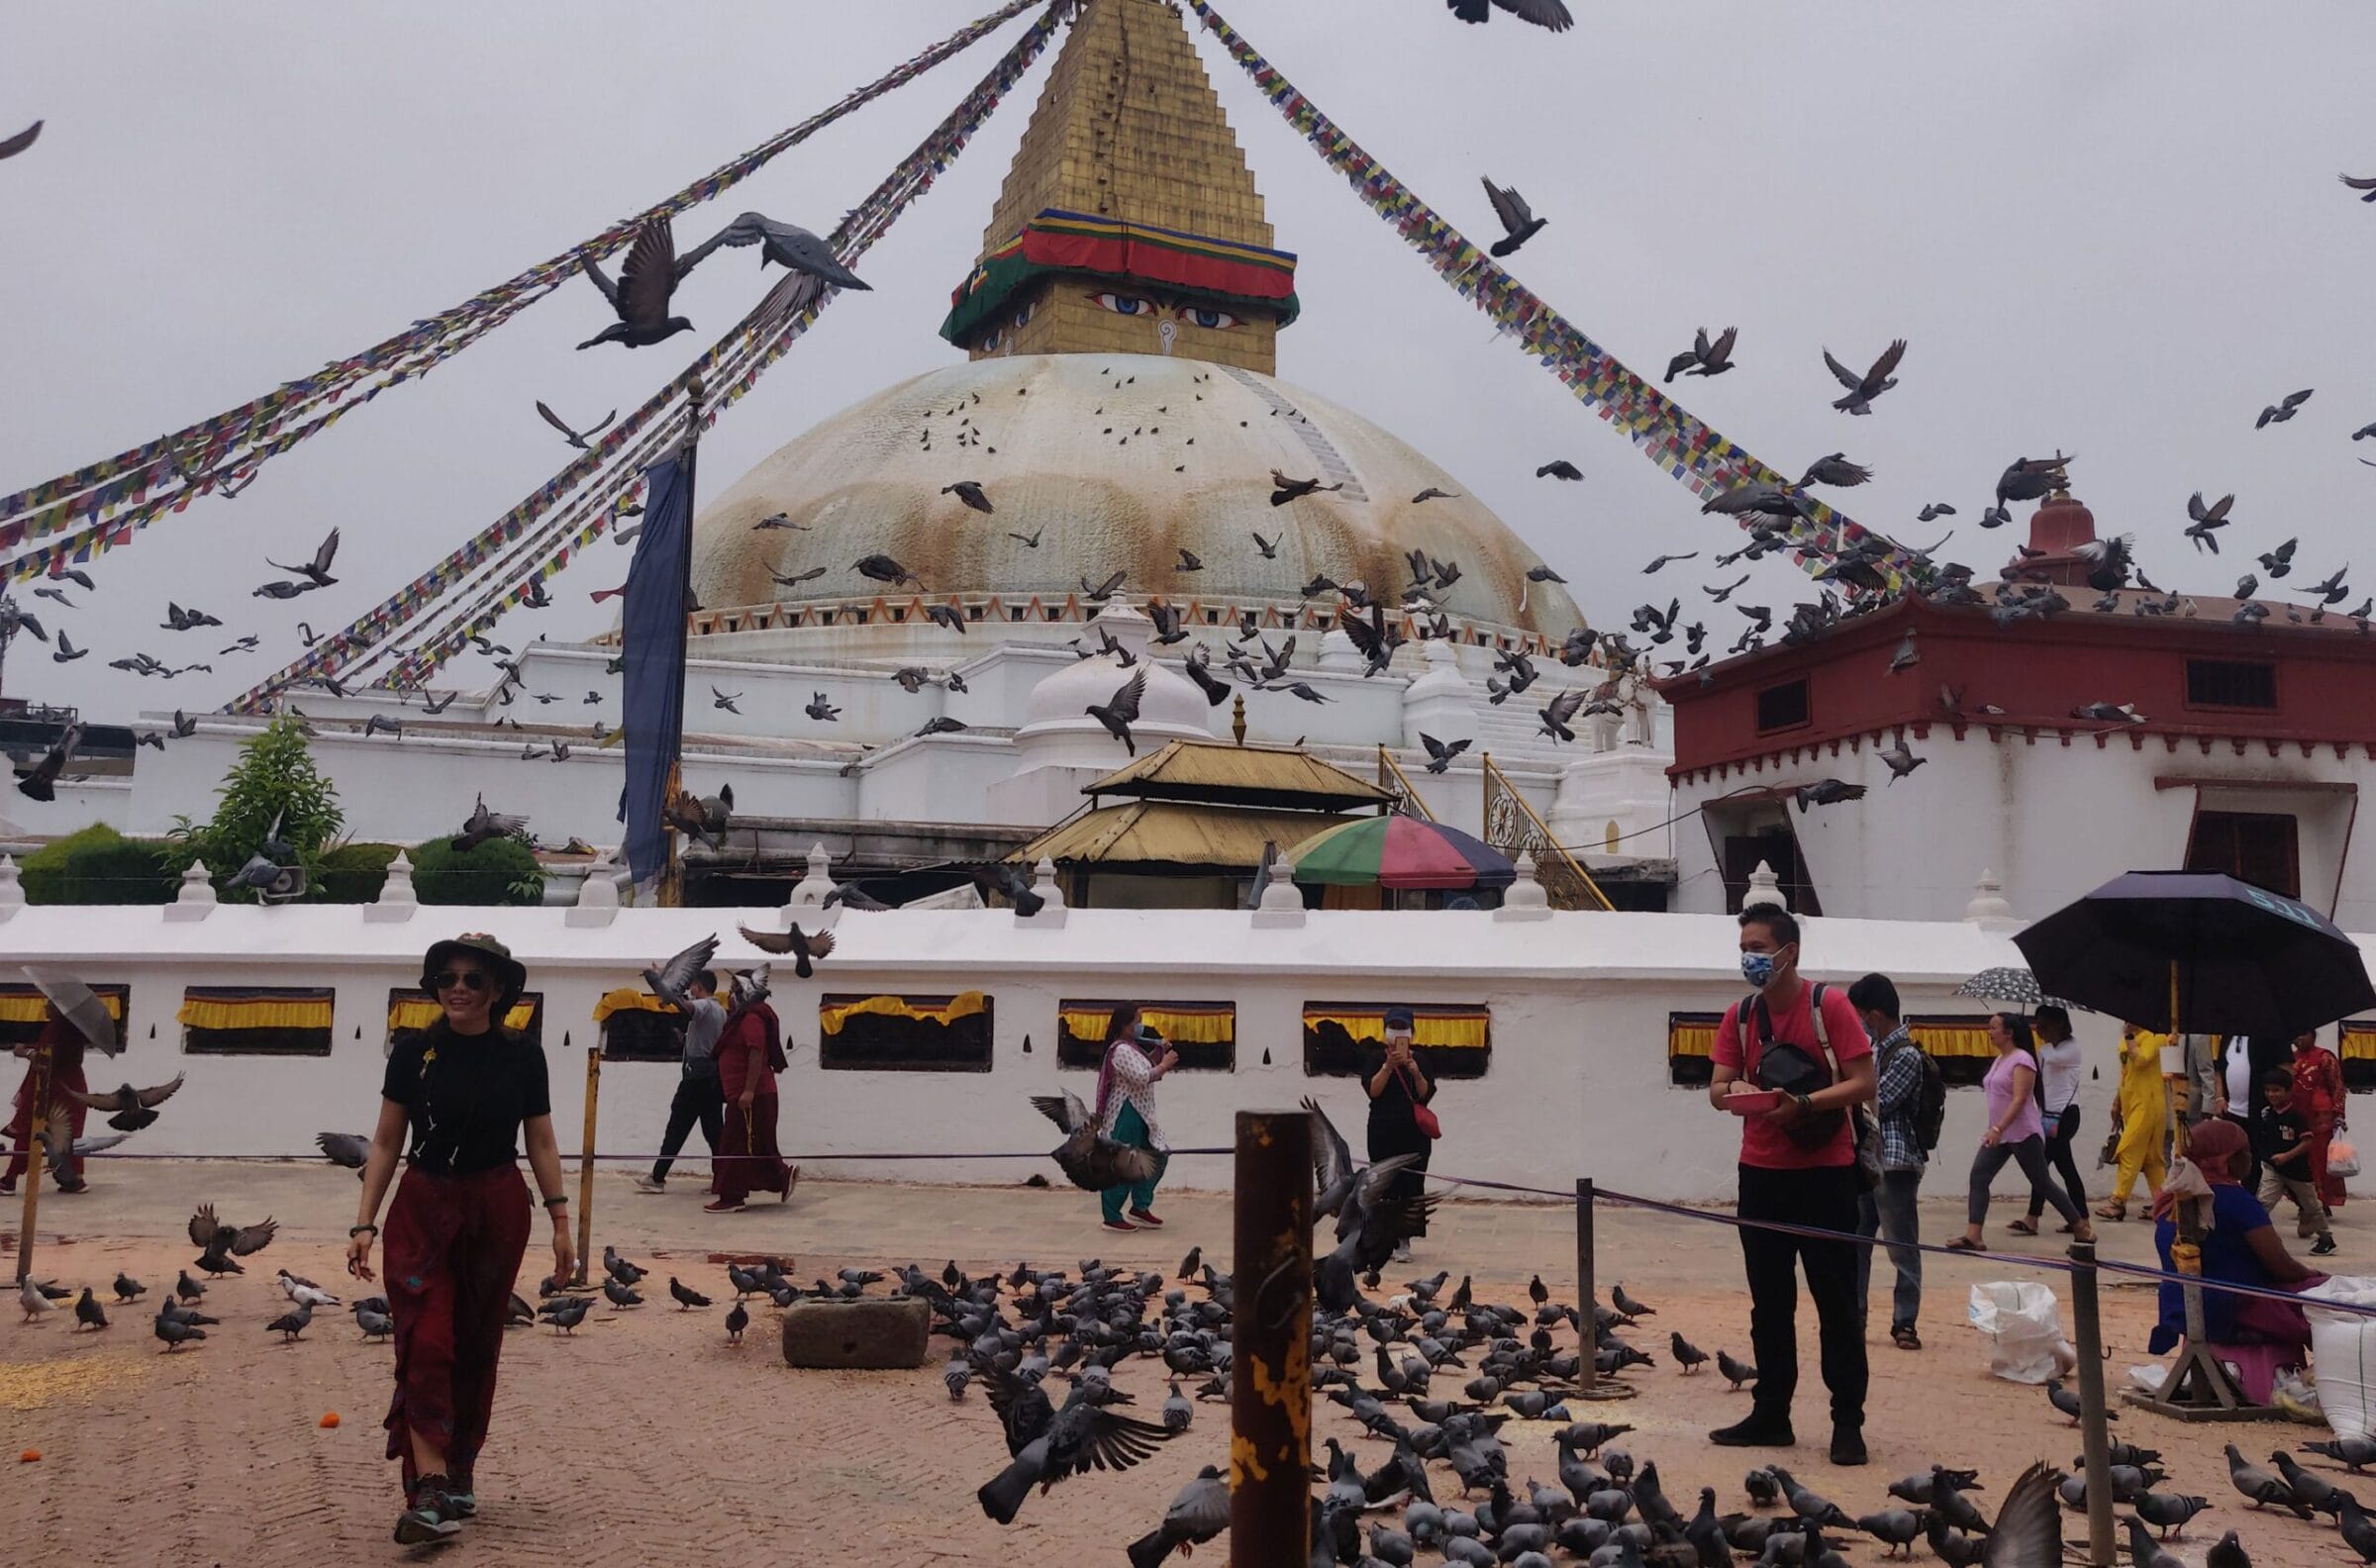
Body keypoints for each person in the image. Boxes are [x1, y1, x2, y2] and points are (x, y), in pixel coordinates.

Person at [347, 933, 573, 1544]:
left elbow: (542, 1142)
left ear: (498, 991)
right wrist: (364, 1221)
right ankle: (430, 1488)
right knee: (425, 1337)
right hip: (422, 1205)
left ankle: (460, 1465)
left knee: (476, 1342)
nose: (458, 988)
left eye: (474, 979)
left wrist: (560, 1222)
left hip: (496, 1207)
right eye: (448, 977)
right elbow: (388, 1140)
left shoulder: (523, 1056)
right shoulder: (414, 1052)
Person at [1706, 905, 1876, 1465]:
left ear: (1789, 952)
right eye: (1743, 948)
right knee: (1769, 1304)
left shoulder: (1830, 1007)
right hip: (1761, 1174)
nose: (1749, 958)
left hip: (1826, 1174)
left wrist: (1802, 1102)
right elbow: (1717, 1088)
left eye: (1758, 947)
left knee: (1836, 1303)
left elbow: (1862, 1082)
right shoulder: (1740, 1016)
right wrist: (1741, 1093)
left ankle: (1846, 1421)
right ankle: (1771, 1413)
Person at [2147, 1117, 2326, 1403]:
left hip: (2182, 1306)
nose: (2251, 1158)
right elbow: (2281, 1265)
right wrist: (2314, 1274)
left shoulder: (2173, 1200)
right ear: (2225, 1159)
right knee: (2335, 1300)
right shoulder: (2235, 1201)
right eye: (2245, 1152)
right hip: (2236, 1308)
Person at [1948, 1014, 2096, 1251]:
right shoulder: (2001, 1059)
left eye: (1994, 1027)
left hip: (2022, 1133)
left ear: (2009, 1033)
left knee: (2042, 1182)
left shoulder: (2023, 1060)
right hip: (2000, 1134)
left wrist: (1998, 1128)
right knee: (1979, 1176)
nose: (1990, 1031)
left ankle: (2081, 1227)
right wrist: (1995, 1129)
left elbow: (2019, 1100)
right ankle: (1973, 1235)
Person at [1849, 974, 1925, 1351]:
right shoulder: (1875, 1050)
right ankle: (1855, 1314)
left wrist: (1853, 1089)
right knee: (1856, 1241)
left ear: (1875, 1015)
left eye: (1860, 1015)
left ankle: (1905, 1321)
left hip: (1895, 1161)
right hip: (1868, 1159)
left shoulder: (1906, 1055)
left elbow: (1879, 1102)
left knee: (1901, 1246)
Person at [707, 973, 795, 1214]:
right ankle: (781, 1176)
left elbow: (757, 1052)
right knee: (756, 1143)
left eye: (734, 988)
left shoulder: (751, 1018)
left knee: (733, 1145)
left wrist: (748, 1091)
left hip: (752, 1095)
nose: (731, 993)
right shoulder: (743, 1017)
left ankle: (731, 1197)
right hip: (751, 1094)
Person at [635, 968, 727, 1195]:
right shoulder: (721, 1011)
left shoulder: (704, 1006)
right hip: (712, 1077)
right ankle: (722, 1179)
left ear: (699, 986)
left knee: (677, 1128)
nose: (691, 989)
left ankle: (657, 1177)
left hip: (696, 1079)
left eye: (692, 985)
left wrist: (668, 990)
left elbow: (688, 1008)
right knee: (714, 1132)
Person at [1363, 1006, 1436, 1264]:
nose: (1397, 1034)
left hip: (1413, 1133)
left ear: (1412, 1033)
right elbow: (1373, 1091)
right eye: (1393, 1028)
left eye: (1402, 1028)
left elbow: (1425, 1094)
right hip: (1383, 1132)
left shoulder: (1422, 1060)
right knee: (1384, 1184)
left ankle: (1404, 1238)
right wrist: (1387, 1067)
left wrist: (1415, 1072)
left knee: (1410, 1185)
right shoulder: (1374, 1059)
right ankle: (1384, 1239)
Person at [1094, 1005, 1175, 1233]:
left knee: (1157, 1156)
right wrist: (1165, 1065)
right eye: (1137, 1020)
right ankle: (1111, 1215)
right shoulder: (1120, 1050)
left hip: (1141, 1112)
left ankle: (1140, 1206)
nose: (1141, 1025)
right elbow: (1141, 1077)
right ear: (1125, 1025)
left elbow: (1147, 1068)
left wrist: (1160, 1056)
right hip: (1125, 1112)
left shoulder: (1133, 1048)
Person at [1, 1006, 89, 1196]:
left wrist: (25, 1053)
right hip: (71, 1089)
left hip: (53, 1091)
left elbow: (49, 1058)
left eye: (50, 1003)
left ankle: (9, 1180)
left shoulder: (62, 1027)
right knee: (66, 1135)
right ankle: (73, 1180)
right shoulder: (68, 1027)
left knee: (31, 1132)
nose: (45, 1006)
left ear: (59, 1008)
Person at [2014, 1006, 2086, 1235]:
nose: (2040, 1029)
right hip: (2049, 1115)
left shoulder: (2070, 1048)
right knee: (2050, 1167)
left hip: (2066, 1115)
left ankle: (2042, 1217)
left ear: (2058, 1025)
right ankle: (2075, 1217)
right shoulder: (2046, 1049)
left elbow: (2046, 1059)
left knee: (2050, 1168)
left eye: (2043, 1025)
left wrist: (2026, 1044)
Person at [2253, 1069, 2335, 1255]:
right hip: (2273, 1169)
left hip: (2297, 1171)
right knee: (2262, 1203)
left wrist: (2287, 1156)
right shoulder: (2266, 1114)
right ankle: (2256, 1237)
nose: (2272, 1094)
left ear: (2288, 1092)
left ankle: (2326, 1238)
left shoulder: (2296, 1116)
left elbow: (2307, 1141)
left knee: (2312, 1206)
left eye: (2277, 1090)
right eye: (2268, 1090)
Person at [2099, 1024, 2169, 1221]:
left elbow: (2141, 1061)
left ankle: (2118, 1201)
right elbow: (2127, 1072)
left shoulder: (2156, 1036)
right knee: (2151, 1159)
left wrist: (2129, 1037)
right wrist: (2117, 1102)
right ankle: (2163, 1204)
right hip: (2131, 1102)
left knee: (2128, 1149)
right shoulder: (2127, 1039)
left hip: (2149, 1104)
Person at [2288, 1030, 2346, 1220]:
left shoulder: (2324, 1057)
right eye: (2297, 1035)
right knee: (2299, 1162)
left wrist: (2339, 1114)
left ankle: (2323, 1203)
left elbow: (2337, 1086)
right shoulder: (2291, 1059)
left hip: (2322, 1119)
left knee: (2320, 1162)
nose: (2299, 1038)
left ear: (2313, 1035)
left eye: (2304, 1034)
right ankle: (2304, 1202)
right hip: (2297, 1117)